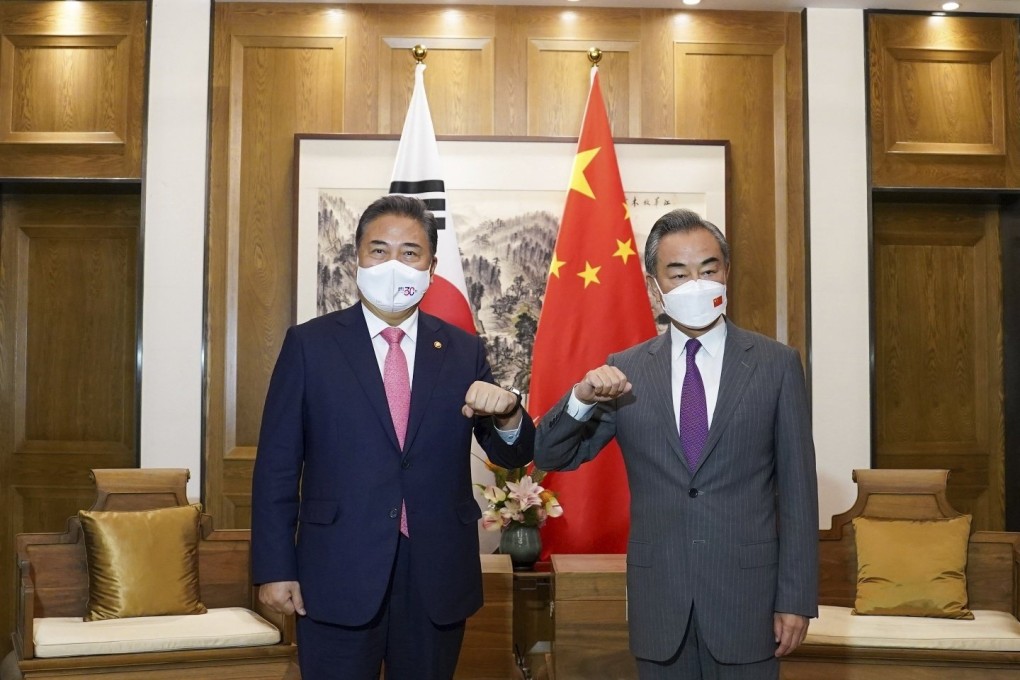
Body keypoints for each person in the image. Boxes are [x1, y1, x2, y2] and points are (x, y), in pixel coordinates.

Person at [251, 195, 535, 680]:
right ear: (356, 258)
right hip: (337, 567)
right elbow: (277, 465)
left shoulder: (463, 349)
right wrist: (275, 567)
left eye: (410, 253)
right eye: (379, 250)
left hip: (436, 573)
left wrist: (509, 411)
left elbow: (512, 453)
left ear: (431, 265)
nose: (393, 265)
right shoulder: (310, 345)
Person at [534, 208, 818, 679]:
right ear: (654, 288)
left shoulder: (775, 365)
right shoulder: (625, 370)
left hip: (748, 604)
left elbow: (798, 493)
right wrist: (581, 397)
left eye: (709, 269)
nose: (697, 283)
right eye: (679, 273)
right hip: (660, 604)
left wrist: (796, 598)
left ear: (726, 274)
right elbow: (551, 454)